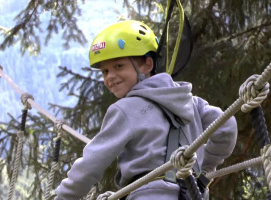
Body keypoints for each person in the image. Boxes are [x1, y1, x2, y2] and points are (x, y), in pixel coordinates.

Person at [54, 20, 237, 200]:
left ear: (147, 65)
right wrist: (207, 168)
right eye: (105, 71)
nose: (110, 77)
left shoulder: (124, 109)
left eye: (119, 66)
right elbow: (226, 126)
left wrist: (63, 197)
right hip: (193, 194)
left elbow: (91, 163)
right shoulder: (191, 101)